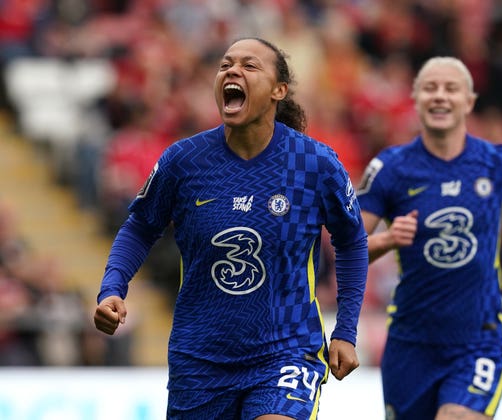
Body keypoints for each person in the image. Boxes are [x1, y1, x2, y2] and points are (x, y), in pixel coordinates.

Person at [93, 37, 369, 420]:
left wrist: (346, 330)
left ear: (279, 90)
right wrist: (112, 288)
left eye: (250, 66)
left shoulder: (314, 164)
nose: (232, 71)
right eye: (225, 65)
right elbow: (141, 226)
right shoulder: (184, 161)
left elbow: (351, 239)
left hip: (286, 349)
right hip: (200, 358)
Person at [356, 56, 502, 420]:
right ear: (415, 99)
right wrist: (386, 241)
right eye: (430, 88)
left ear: (469, 101)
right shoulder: (390, 169)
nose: (440, 97)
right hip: (411, 342)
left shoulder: (497, 162)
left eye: (451, 89)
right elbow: (346, 247)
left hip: (479, 337)